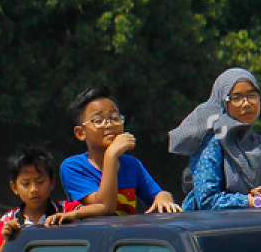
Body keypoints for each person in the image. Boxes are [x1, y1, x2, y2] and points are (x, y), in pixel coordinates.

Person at [168, 69, 261, 211]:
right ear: (223, 103)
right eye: (236, 98)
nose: (246, 103)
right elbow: (207, 201)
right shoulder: (213, 144)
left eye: (252, 95)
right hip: (209, 230)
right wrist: (257, 202)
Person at [60, 86, 181, 217]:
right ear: (80, 133)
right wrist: (111, 156)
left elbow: (157, 193)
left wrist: (164, 197)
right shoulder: (73, 167)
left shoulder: (132, 164)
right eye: (99, 121)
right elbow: (106, 207)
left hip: (126, 236)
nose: (110, 125)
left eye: (115, 118)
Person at [0, 147, 97, 252]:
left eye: (40, 182)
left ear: (52, 182)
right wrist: (7, 241)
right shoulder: (8, 220)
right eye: (25, 184)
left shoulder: (64, 209)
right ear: (14, 187)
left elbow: (103, 208)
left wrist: (72, 215)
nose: (34, 189)